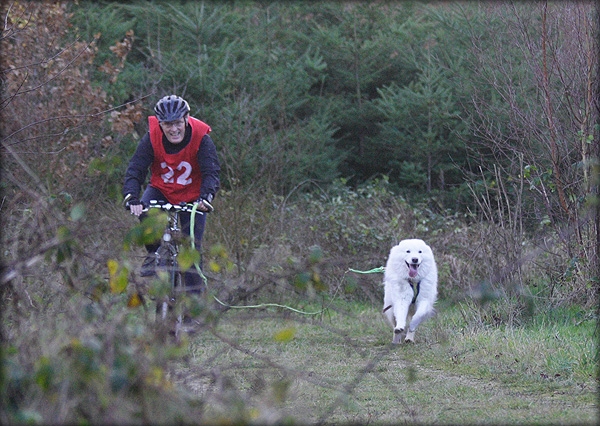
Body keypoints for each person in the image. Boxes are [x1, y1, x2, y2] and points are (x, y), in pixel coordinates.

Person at [123, 95, 220, 294]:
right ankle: (154, 253)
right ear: (160, 124)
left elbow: (211, 173)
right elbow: (136, 169)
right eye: (167, 124)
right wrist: (131, 197)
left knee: (191, 252)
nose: (173, 129)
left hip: (193, 197)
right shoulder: (152, 137)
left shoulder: (201, 138)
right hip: (162, 190)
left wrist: (206, 197)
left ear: (186, 119)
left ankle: (193, 314)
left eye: (177, 123)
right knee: (146, 213)